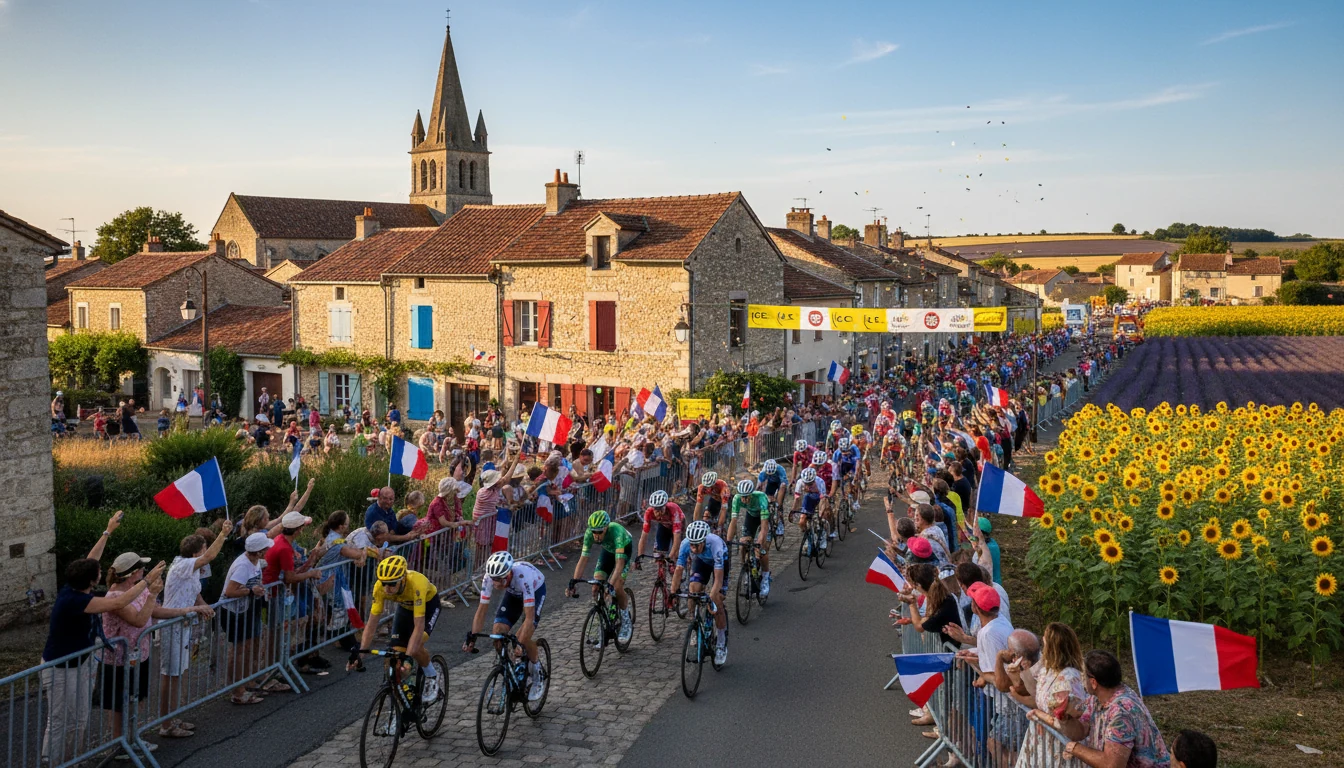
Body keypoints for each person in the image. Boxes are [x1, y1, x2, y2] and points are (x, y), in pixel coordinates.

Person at [40, 513, 162, 765]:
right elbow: (120, 601)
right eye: (98, 572)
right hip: (61, 667)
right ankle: (52, 763)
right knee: (60, 719)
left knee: (80, 718)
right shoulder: (76, 601)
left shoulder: (73, 587)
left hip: (80, 662)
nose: (101, 570)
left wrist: (108, 531)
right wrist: (148, 582)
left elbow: (90, 558)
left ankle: (72, 759)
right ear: (92, 580)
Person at [100, 552, 205, 748]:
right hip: (119, 659)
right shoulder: (115, 596)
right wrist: (154, 593)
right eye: (142, 569)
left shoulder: (136, 588)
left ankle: (131, 738)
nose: (144, 572)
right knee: (120, 704)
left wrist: (186, 610)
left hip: (138, 654)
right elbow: (138, 619)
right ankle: (119, 743)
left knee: (134, 699)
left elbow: (155, 611)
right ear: (133, 573)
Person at [157, 520, 233, 738]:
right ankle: (166, 723)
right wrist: (223, 534)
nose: (206, 552)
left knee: (178, 673)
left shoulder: (191, 569)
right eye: (203, 548)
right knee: (169, 673)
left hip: (185, 625)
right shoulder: (182, 565)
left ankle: (174, 716)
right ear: (196, 552)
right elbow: (209, 557)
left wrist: (202, 604)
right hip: (173, 625)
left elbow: (195, 590)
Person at [1057, 650, 1171, 768]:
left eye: (1083, 676)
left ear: (1093, 683)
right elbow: (1082, 731)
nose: (1082, 680)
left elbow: (1112, 765)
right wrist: (1065, 718)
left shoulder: (1121, 711)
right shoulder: (1097, 699)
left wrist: (1076, 748)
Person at [353, 555, 443, 703]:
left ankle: (432, 676)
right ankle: (400, 706)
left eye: (392, 584)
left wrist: (408, 658)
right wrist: (361, 654)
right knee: (393, 656)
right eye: (384, 583)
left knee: (415, 646)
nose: (387, 589)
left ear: (403, 579)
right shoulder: (379, 589)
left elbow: (419, 626)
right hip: (405, 608)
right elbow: (371, 624)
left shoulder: (416, 584)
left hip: (428, 607)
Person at [463, 551, 547, 702]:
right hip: (513, 595)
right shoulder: (489, 578)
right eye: (494, 580)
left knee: (524, 638)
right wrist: (472, 636)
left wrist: (519, 643)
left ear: (508, 574)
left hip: (535, 590)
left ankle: (537, 672)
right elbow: (481, 611)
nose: (496, 584)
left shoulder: (523, 577)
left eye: (500, 580)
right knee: (497, 634)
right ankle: (511, 670)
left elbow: (529, 618)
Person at [221, 532, 276, 705]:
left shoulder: (254, 561)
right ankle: (237, 691)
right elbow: (229, 591)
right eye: (265, 549)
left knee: (247, 646)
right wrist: (251, 591)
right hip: (235, 612)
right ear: (259, 552)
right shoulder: (243, 566)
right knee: (239, 649)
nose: (268, 550)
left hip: (247, 609)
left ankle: (245, 684)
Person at [565, 511, 634, 644]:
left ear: (606, 527)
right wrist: (574, 582)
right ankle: (601, 624)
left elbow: (619, 565)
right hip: (608, 552)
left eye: (599, 532)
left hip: (624, 549)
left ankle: (626, 621)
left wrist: (611, 585)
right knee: (596, 586)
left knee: (618, 586)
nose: (596, 536)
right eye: (594, 532)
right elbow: (583, 559)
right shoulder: (589, 534)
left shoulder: (616, 531)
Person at [668, 519, 730, 665]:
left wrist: (713, 596)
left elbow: (718, 579)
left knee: (717, 600)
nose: (693, 548)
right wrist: (673, 592)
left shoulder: (715, 545)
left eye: (697, 545)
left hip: (719, 564)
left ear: (704, 541)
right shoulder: (685, 544)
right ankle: (695, 623)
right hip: (702, 562)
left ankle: (721, 643)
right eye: (692, 545)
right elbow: (678, 570)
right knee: (693, 589)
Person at [726, 478, 772, 597]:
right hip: (750, 517)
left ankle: (766, 577)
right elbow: (733, 522)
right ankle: (745, 569)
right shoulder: (737, 499)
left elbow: (764, 528)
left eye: (747, 497)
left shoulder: (761, 498)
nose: (744, 499)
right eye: (743, 496)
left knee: (762, 549)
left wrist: (760, 541)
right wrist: (728, 541)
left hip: (763, 519)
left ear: (751, 494)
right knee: (743, 544)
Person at [636, 489, 684, 562]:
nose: (659, 513)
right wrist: (639, 557)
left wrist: (670, 557)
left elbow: (677, 537)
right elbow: (643, 537)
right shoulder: (649, 512)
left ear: (665, 506)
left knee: (677, 554)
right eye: (656, 510)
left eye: (661, 510)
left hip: (679, 524)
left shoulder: (673, 510)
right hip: (664, 525)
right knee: (658, 553)